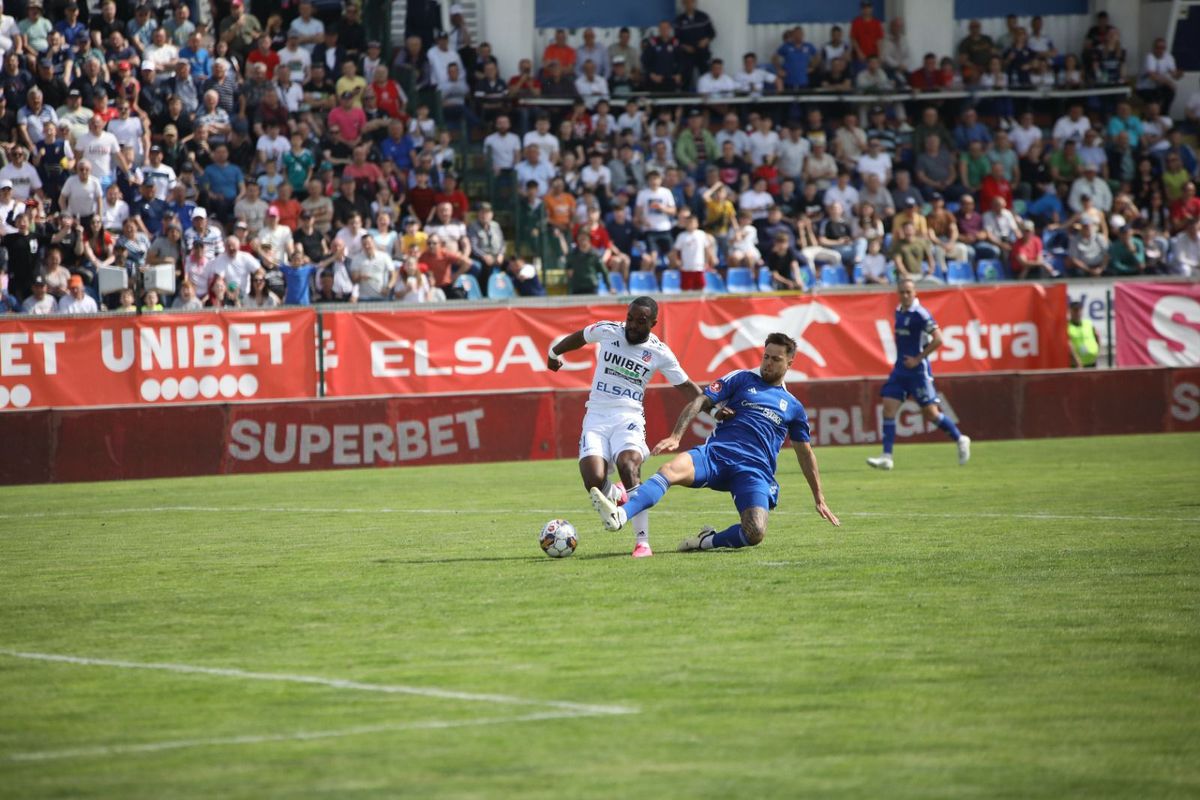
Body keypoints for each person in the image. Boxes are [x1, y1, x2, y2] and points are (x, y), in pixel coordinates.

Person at [589, 332, 839, 552]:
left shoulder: (793, 407)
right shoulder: (742, 379)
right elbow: (700, 401)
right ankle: (621, 515)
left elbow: (805, 453)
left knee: (755, 532)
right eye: (766, 357)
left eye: (776, 359)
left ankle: (705, 541)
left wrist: (819, 497)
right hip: (715, 456)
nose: (768, 363)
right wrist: (677, 435)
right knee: (668, 470)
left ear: (790, 362)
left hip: (754, 472)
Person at [549, 297, 701, 558]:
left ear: (653, 323)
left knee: (628, 465)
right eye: (630, 318)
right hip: (595, 416)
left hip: (628, 417)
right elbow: (581, 337)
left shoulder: (659, 352)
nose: (631, 325)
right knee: (593, 480)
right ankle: (616, 494)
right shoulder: (609, 330)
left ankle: (643, 543)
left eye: (640, 321)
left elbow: (687, 387)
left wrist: (714, 407)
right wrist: (554, 353)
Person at [866, 279, 971, 470]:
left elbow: (938, 339)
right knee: (888, 409)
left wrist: (918, 358)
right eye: (902, 292)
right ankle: (887, 457)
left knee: (931, 414)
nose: (905, 295)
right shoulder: (899, 311)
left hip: (918, 372)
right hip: (900, 371)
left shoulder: (921, 314)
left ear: (915, 293)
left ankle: (960, 438)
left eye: (908, 292)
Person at [1067, 299, 1099, 369]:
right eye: (1075, 310)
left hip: (1092, 363)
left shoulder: (1088, 323)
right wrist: (1077, 361)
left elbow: (1097, 336)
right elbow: (1068, 345)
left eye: (1079, 310)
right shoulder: (1067, 326)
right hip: (1077, 365)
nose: (1077, 313)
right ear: (1070, 311)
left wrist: (1097, 352)